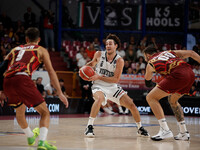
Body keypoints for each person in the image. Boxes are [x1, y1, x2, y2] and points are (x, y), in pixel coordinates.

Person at [0, 27, 68, 150]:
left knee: (19, 112)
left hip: (7, 81)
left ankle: (30, 136)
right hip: (22, 79)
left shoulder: (15, 49)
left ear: (26, 39)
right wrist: (59, 93)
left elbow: (1, 68)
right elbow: (51, 72)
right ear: (39, 40)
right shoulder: (41, 49)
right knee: (45, 112)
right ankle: (42, 142)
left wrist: (0, 90)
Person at [81, 34, 149, 137]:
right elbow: (92, 63)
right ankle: (89, 127)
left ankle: (140, 128)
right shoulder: (99, 54)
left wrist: (99, 76)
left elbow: (115, 79)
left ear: (116, 46)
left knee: (131, 105)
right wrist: (83, 69)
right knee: (99, 99)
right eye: (107, 44)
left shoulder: (119, 60)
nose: (108, 46)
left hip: (112, 86)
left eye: (110, 44)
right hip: (98, 85)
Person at [143, 46, 200, 141]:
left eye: (144, 57)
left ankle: (165, 130)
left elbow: (147, 82)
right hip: (190, 74)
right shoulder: (169, 52)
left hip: (178, 75)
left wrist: (154, 84)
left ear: (148, 55)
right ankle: (183, 133)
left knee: (151, 97)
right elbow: (192, 53)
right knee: (172, 100)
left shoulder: (151, 62)